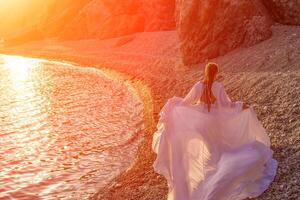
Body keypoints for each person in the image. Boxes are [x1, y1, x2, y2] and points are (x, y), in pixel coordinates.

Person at [152, 62, 278, 200]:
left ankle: (204, 172)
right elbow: (226, 105)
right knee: (217, 151)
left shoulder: (198, 86)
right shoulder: (218, 87)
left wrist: (173, 105)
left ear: (205, 72)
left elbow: (186, 103)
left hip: (199, 122)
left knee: (205, 147)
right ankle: (214, 173)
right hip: (213, 122)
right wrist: (241, 106)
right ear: (215, 73)